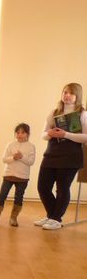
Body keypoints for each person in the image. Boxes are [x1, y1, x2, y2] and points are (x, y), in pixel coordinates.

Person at [33, 83, 87, 230]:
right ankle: (52, 216)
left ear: (77, 96)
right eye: (65, 92)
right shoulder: (54, 112)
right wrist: (49, 134)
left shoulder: (83, 114)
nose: (67, 95)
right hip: (51, 153)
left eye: (71, 93)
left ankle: (56, 219)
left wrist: (66, 134)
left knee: (62, 188)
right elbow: (43, 134)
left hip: (71, 156)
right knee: (43, 187)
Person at [0, 123, 36, 227]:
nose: (19, 135)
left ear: (27, 134)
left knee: (19, 197)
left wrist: (21, 157)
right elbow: (4, 159)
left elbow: (31, 162)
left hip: (23, 177)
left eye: (22, 132)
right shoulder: (10, 145)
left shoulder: (31, 146)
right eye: (17, 132)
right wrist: (13, 158)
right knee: (1, 196)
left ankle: (13, 218)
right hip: (8, 175)